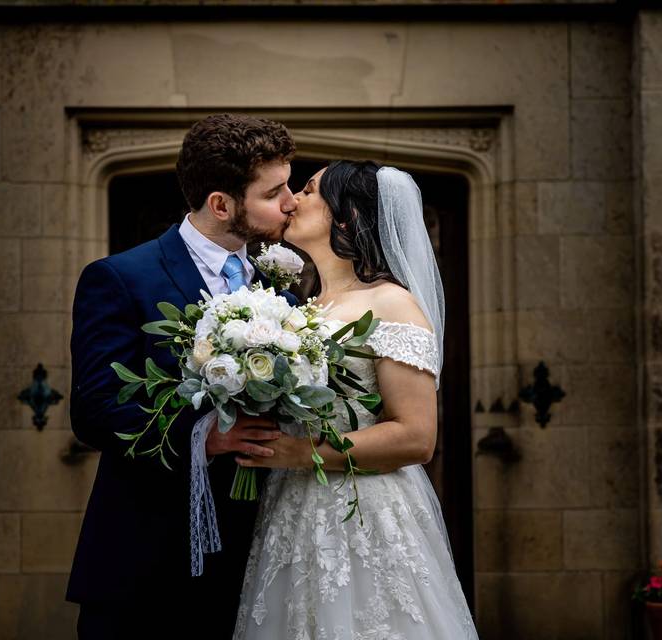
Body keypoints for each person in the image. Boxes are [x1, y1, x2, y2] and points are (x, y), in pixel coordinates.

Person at [67, 114, 299, 638]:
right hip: (146, 565)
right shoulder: (120, 278)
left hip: (254, 564)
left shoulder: (282, 289)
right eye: (274, 191)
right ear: (221, 204)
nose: (291, 202)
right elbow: (95, 413)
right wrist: (204, 437)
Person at [233, 161, 479, 639]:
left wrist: (298, 453)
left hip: (361, 512)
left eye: (307, 190)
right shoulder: (300, 305)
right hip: (292, 508)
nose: (292, 200)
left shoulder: (391, 303)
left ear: (344, 217)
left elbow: (415, 437)